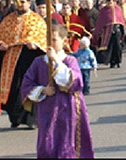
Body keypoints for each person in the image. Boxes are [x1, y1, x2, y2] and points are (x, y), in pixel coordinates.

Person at [20, 24, 95, 158]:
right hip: (46, 109)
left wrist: (55, 61)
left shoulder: (70, 61)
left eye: (54, 40)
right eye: (47, 40)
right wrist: (42, 90)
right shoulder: (38, 62)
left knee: (67, 143)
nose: (50, 44)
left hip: (68, 108)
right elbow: (26, 84)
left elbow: (75, 83)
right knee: (47, 144)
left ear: (64, 41)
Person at [0, 0, 47, 129]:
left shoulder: (36, 20)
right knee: (13, 88)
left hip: (29, 58)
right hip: (11, 60)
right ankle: (15, 118)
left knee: (29, 86)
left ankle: (31, 119)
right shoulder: (8, 19)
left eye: (22, 2)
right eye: (17, 2)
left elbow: (42, 39)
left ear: (29, 3)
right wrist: (0, 44)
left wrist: (35, 44)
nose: (19, 5)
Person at [92, 0, 126, 68]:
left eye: (111, 2)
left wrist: (123, 31)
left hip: (117, 30)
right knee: (109, 47)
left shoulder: (118, 9)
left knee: (117, 46)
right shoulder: (103, 10)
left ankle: (117, 61)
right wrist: (98, 32)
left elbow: (121, 20)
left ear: (114, 2)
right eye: (108, 3)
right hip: (107, 32)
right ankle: (111, 62)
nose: (109, 4)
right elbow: (100, 22)